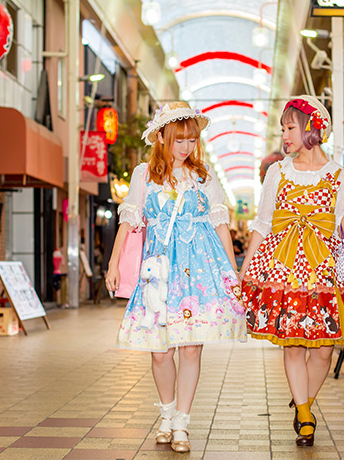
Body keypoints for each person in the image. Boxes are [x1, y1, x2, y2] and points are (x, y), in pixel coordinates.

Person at [105, 101, 246, 453]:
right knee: (160, 351)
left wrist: (232, 272)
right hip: (159, 272)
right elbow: (129, 220)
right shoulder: (143, 175)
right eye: (179, 139)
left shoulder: (204, 176)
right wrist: (113, 263)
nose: (185, 147)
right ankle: (165, 414)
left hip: (198, 270)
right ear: (162, 137)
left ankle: (181, 422)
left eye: (191, 140)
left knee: (192, 348)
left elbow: (220, 225)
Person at [239, 95, 344, 447]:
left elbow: (341, 230)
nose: (284, 135)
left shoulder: (337, 174)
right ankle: (304, 415)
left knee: (324, 348)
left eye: (290, 128)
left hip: (324, 268)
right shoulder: (277, 172)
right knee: (293, 343)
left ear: (312, 128)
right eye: (283, 128)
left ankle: (304, 401)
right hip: (282, 266)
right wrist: (246, 267)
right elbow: (264, 222)